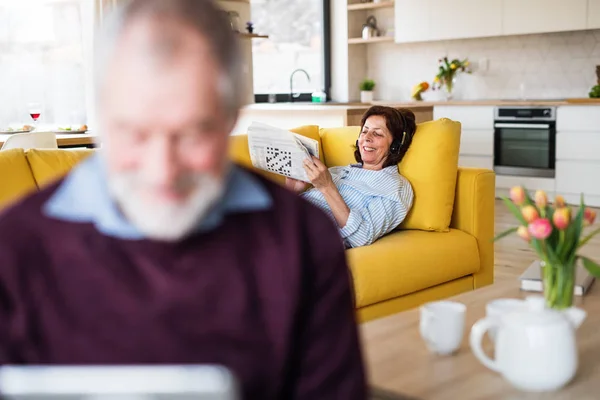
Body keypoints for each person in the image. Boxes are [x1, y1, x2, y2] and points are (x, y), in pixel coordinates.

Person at [0, 1, 367, 398]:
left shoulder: (303, 238)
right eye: (135, 132)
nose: (162, 171)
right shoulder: (15, 246)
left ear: (230, 118)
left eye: (193, 134)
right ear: (103, 114)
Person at [286, 106, 416, 248]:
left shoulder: (396, 187)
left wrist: (327, 187)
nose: (366, 138)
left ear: (395, 145)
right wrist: (291, 191)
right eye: (364, 131)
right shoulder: (336, 172)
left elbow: (360, 237)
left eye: (377, 134)